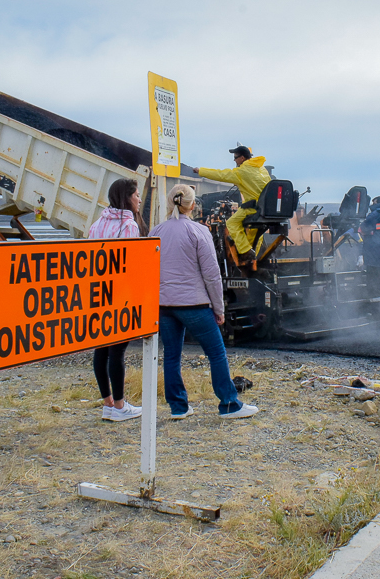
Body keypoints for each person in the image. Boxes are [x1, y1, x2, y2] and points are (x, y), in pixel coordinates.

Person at [149, 184, 258, 419]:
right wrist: (219, 308)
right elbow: (211, 274)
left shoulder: (155, 231)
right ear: (192, 205)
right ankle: (229, 404)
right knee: (216, 353)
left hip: (164, 306)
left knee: (171, 356)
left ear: (170, 203)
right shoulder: (199, 231)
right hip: (194, 305)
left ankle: (178, 407)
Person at [89, 179, 147, 422]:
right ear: (127, 197)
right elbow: (131, 265)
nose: (139, 199)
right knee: (117, 351)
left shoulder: (97, 223)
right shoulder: (129, 226)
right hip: (120, 294)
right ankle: (121, 406)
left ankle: (108, 403)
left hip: (98, 294)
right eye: (136, 195)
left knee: (101, 348)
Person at [193, 144, 271, 266]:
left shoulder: (241, 172)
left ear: (243, 158)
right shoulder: (262, 169)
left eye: (235, 157)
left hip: (252, 207)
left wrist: (201, 171)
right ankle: (251, 255)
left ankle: (245, 250)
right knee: (257, 231)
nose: (234, 160)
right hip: (265, 208)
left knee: (232, 223)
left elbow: (220, 174)